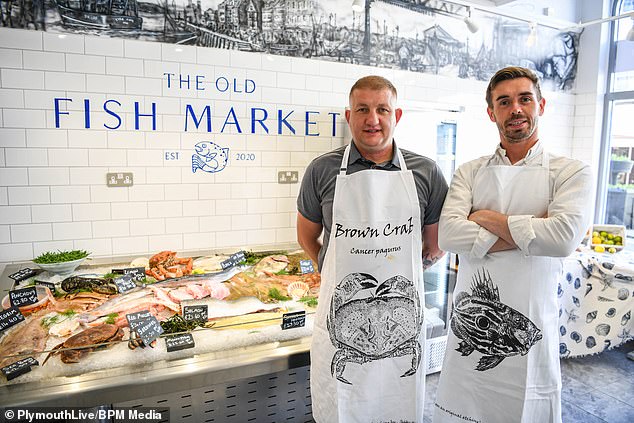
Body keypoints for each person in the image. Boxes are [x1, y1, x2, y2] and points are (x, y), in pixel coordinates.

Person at [433, 66, 593, 423]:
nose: (515, 109)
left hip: (531, 325)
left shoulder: (571, 172)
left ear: (541, 105)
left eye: (524, 99)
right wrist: (533, 230)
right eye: (504, 102)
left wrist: (488, 218)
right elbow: (447, 236)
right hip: (473, 327)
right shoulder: (470, 171)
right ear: (492, 113)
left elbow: (564, 238)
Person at [296, 75, 448, 422]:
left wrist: (404, 272)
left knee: (397, 403)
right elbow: (306, 236)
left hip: (401, 318)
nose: (372, 119)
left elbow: (436, 244)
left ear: (397, 115)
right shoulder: (322, 170)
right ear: (349, 116)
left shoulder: (426, 172)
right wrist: (329, 267)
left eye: (382, 109)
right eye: (362, 109)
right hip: (343, 314)